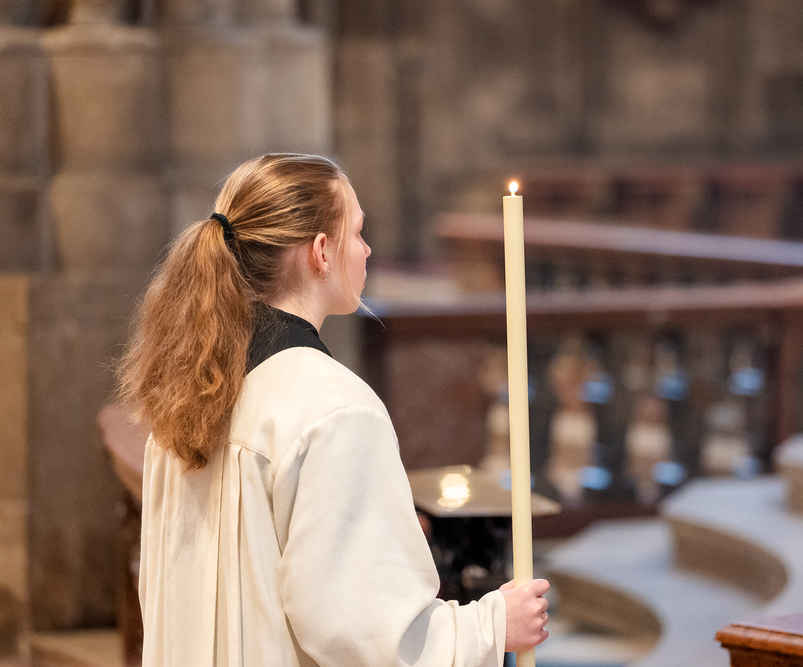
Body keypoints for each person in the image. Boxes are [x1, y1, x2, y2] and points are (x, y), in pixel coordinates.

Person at [117, 153, 550, 666]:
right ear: (321, 251)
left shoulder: (189, 397)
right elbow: (369, 637)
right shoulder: (334, 408)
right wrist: (494, 624)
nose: (366, 250)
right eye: (359, 233)